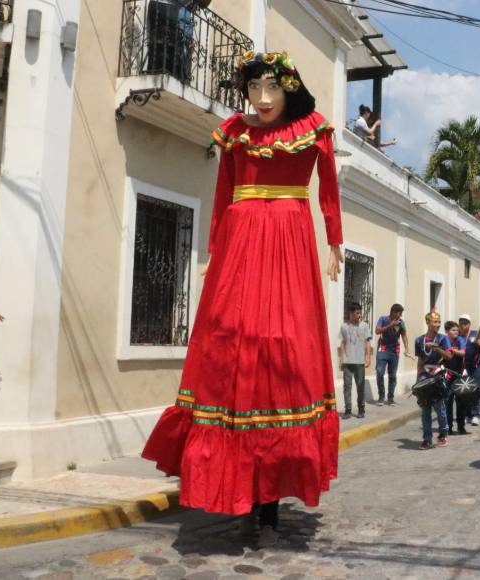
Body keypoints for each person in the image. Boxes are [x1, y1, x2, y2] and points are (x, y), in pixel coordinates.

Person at [141, 50, 343, 538]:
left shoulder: (313, 128)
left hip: (291, 239)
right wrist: (213, 250)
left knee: (284, 349)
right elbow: (223, 194)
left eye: (272, 88)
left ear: (288, 88)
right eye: (255, 89)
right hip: (242, 241)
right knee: (233, 352)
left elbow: (329, 191)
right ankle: (245, 489)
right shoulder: (234, 131)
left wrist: (335, 240)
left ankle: (270, 491)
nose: (264, 98)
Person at [415, 311, 451, 449]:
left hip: (438, 373)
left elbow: (449, 356)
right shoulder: (419, 340)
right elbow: (420, 359)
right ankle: (427, 439)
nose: (437, 324)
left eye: (439, 322)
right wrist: (418, 378)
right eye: (435, 322)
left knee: (439, 407)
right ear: (428, 322)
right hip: (424, 374)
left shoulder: (442, 339)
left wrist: (438, 349)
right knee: (425, 407)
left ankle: (443, 433)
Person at [338, 303, 372, 419]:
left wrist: (368, 357)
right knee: (347, 386)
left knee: (360, 386)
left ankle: (361, 409)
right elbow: (343, 343)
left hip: (359, 362)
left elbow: (368, 342)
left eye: (360, 312)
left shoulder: (364, 326)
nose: (359, 315)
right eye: (357, 313)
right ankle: (348, 409)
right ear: (351, 313)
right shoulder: (344, 326)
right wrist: (341, 359)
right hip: (348, 362)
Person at [375, 304, 410, 405]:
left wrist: (407, 348)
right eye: (399, 313)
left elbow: (404, 335)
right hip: (383, 349)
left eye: (401, 313)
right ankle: (381, 397)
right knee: (380, 372)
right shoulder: (383, 319)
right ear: (393, 312)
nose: (400, 315)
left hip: (394, 351)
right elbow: (377, 331)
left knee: (393, 375)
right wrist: (390, 325)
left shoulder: (401, 323)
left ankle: (390, 398)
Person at [444, 320, 469, 435]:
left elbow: (463, 352)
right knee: (447, 401)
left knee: (461, 401)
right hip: (447, 374)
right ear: (447, 331)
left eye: (457, 330)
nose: (456, 332)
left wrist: (452, 350)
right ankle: (448, 427)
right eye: (453, 330)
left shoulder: (460, 340)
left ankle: (461, 426)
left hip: (459, 374)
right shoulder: (443, 340)